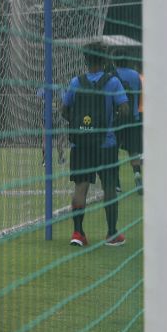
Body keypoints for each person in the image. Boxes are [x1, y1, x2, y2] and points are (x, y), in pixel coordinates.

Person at [62, 42, 129, 247]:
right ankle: (111, 233)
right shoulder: (113, 82)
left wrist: (78, 126)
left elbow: (64, 110)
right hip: (105, 144)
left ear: (85, 58)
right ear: (105, 59)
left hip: (80, 145)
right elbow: (124, 109)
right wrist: (112, 125)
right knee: (109, 186)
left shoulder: (75, 82)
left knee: (80, 187)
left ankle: (77, 232)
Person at [111, 52, 143, 195]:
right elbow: (140, 93)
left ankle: (117, 185)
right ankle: (137, 176)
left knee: (113, 152)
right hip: (133, 118)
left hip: (115, 120)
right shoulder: (136, 75)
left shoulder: (112, 75)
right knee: (134, 151)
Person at [37, 86, 67, 166]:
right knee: (48, 139)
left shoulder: (57, 90)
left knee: (55, 138)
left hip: (50, 119)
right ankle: (53, 159)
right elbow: (63, 103)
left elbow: (39, 105)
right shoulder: (58, 90)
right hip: (50, 119)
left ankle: (48, 160)